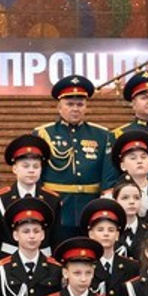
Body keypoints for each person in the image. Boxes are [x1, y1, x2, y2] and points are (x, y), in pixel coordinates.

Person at [35, 75, 114, 238]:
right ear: (59, 106)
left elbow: (108, 174)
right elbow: (37, 174)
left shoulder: (102, 134)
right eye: (70, 104)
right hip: (56, 206)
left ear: (86, 107)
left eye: (80, 104)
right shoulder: (44, 134)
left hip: (90, 206)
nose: (75, 109)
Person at [0, 134, 62, 268]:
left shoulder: (52, 199)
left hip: (43, 265)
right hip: (8, 264)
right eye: (25, 166)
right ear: (15, 168)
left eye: (36, 166)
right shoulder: (0, 198)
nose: (31, 171)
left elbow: (56, 238)